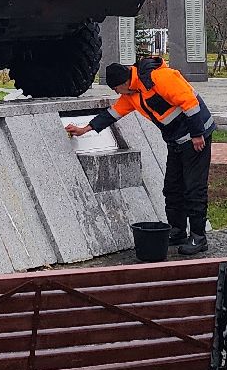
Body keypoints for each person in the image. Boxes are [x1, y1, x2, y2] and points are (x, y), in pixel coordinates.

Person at [66, 55, 216, 254]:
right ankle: (178, 231)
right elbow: (112, 114)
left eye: (115, 89)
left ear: (124, 83)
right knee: (172, 189)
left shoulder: (159, 78)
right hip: (176, 141)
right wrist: (85, 129)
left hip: (197, 138)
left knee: (194, 188)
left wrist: (197, 134)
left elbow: (189, 102)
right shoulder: (132, 94)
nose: (116, 93)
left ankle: (198, 237)